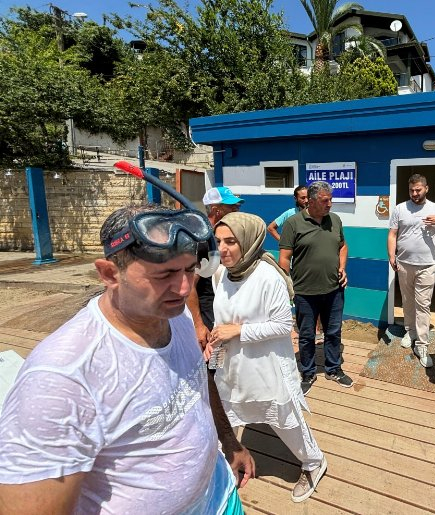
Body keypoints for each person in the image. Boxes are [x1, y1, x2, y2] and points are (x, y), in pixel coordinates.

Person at [0, 203, 255, 514]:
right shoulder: (61, 379)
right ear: (110, 274)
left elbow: (197, 381)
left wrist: (229, 441)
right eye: (164, 274)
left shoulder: (176, 314)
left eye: (189, 269)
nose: (183, 288)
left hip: (222, 495)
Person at [209, 212, 327, 503]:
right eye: (218, 241)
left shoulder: (267, 277)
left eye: (230, 242)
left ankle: (314, 461)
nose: (222, 249)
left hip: (266, 364)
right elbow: (223, 317)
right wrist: (215, 338)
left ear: (248, 241)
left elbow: (283, 326)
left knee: (283, 419)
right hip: (231, 363)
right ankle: (230, 460)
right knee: (227, 413)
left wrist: (238, 331)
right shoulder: (221, 274)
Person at [278, 181, 352, 395]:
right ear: (310, 202)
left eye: (331, 200)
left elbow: (343, 246)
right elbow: (284, 258)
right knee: (306, 335)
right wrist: (288, 286)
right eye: (324, 200)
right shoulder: (293, 223)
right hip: (305, 292)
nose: (330, 204)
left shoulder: (335, 220)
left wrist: (342, 268)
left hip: (334, 289)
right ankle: (308, 372)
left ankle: (333, 369)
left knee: (333, 331)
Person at [387, 174, 435, 368]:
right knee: (407, 301)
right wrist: (391, 255)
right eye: (411, 190)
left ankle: (422, 345)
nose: (415, 193)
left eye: (418, 190)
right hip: (403, 264)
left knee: (423, 305)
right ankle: (411, 331)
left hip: (426, 265)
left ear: (426, 188)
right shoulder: (400, 208)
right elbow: (392, 234)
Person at [188, 186, 244, 349]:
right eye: (231, 206)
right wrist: (198, 325)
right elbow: (189, 284)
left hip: (227, 307)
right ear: (216, 209)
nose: (236, 210)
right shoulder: (203, 240)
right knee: (213, 357)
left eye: (237, 206)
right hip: (209, 311)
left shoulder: (225, 235)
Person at [267, 185, 323, 345]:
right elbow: (271, 228)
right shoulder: (290, 214)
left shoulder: (315, 215)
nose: (306, 200)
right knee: (295, 297)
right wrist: (286, 242)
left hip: (311, 264)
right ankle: (300, 328)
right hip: (292, 265)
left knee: (316, 296)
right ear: (296, 199)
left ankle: (317, 330)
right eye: (302, 198)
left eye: (307, 197)